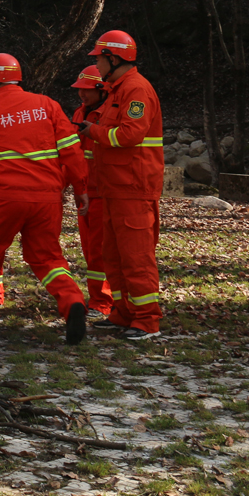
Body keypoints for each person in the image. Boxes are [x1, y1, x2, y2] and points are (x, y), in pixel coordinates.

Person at [0, 53, 89, 345]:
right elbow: (72, 151)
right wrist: (81, 188)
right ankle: (72, 299)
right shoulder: (47, 105)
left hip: (4, 198)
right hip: (47, 198)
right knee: (47, 257)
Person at [76, 30, 164, 341]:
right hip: (115, 189)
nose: (96, 65)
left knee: (136, 257)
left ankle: (147, 320)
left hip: (133, 189)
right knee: (113, 257)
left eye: (98, 59)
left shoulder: (136, 90)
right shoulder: (117, 90)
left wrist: (94, 131)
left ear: (113, 58)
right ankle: (124, 313)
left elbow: (129, 135)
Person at [71, 65, 113, 320]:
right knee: (89, 250)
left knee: (100, 252)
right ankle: (99, 299)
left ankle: (103, 302)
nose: (82, 95)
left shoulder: (107, 114)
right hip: (85, 191)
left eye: (87, 90)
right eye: (80, 91)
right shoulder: (81, 112)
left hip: (102, 193)